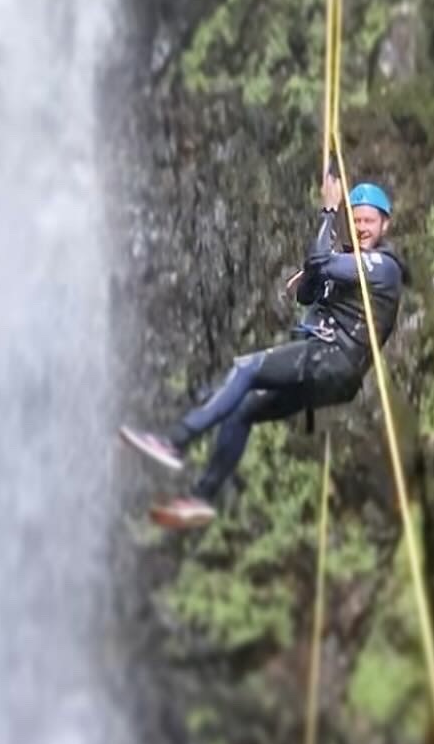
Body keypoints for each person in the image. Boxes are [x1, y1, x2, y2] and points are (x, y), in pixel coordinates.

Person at [120, 168, 408, 528]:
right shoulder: (351, 264)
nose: (363, 227)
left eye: (370, 221)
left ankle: (175, 442)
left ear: (385, 226)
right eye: (357, 219)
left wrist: (329, 211)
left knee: (247, 368)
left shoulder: (383, 267)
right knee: (244, 410)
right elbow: (306, 291)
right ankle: (200, 498)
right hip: (332, 371)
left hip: (332, 359)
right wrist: (316, 272)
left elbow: (319, 263)